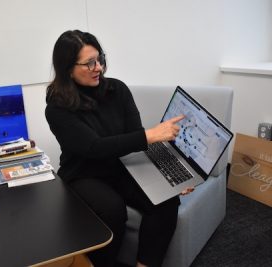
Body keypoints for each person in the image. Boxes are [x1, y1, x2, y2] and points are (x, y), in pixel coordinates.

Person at [45, 30, 192, 267]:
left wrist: (168, 172)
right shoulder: (57, 108)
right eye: (89, 63)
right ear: (68, 69)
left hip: (122, 166)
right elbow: (93, 147)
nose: (99, 68)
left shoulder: (117, 89)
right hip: (84, 173)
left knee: (167, 198)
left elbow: (134, 136)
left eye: (100, 59)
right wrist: (151, 135)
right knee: (113, 210)